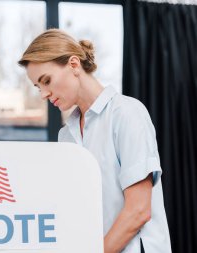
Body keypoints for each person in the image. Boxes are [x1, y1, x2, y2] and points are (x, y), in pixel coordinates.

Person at [18, 29, 172, 253]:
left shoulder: (127, 114)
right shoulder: (66, 136)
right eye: (38, 87)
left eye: (47, 81)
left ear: (73, 65)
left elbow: (139, 211)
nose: (43, 94)